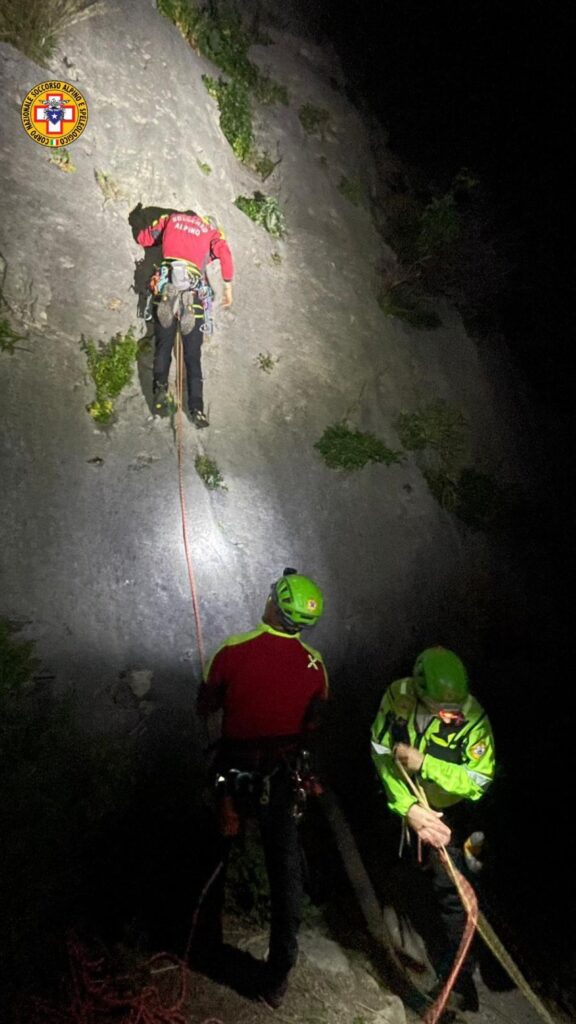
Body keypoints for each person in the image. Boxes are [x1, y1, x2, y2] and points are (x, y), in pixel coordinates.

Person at [195, 569, 328, 1009]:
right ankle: (277, 977)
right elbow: (312, 723)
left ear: (274, 604)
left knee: (215, 855)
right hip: (282, 777)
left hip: (234, 774)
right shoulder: (315, 666)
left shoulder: (233, 651)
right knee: (286, 873)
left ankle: (203, 946)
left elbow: (207, 705)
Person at [371, 646, 495, 1013]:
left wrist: (425, 763)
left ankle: (459, 983)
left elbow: (479, 780)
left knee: (458, 894)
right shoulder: (399, 697)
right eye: (441, 708)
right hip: (410, 806)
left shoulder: (474, 720)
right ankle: (410, 942)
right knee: (410, 874)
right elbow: (380, 751)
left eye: (455, 707)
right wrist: (408, 808)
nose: (450, 715)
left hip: (459, 816)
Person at [136, 209, 234, 428]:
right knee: (192, 356)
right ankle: (197, 409)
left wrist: (161, 238)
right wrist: (228, 286)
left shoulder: (170, 219)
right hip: (194, 287)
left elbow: (143, 238)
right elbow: (224, 252)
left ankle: (160, 390)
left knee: (163, 346)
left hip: (166, 279)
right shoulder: (211, 229)